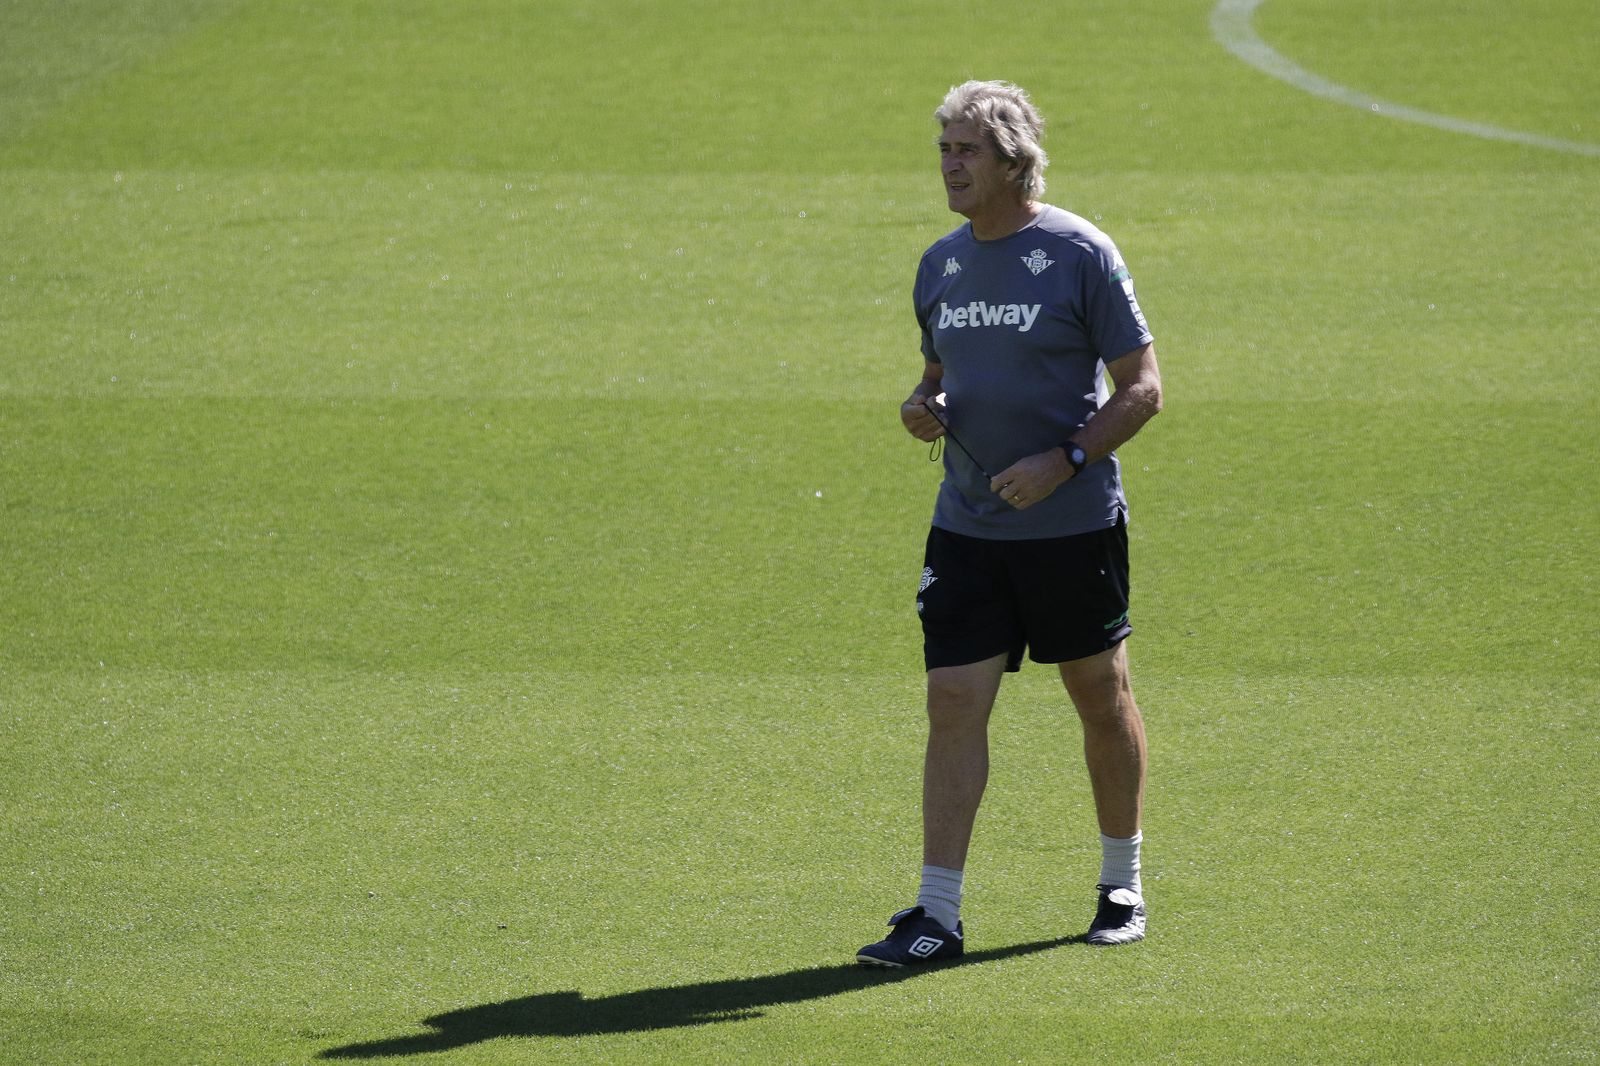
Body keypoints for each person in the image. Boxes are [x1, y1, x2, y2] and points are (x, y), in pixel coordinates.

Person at [857, 80, 1163, 966]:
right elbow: (939, 375)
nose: (950, 165)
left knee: (1099, 697)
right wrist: (923, 405)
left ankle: (1121, 884)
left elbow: (1143, 388)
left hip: (1070, 525)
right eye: (944, 149)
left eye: (966, 150)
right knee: (952, 701)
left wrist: (1063, 459)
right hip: (968, 525)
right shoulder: (940, 263)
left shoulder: (1079, 253)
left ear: (1011, 162)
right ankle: (937, 915)